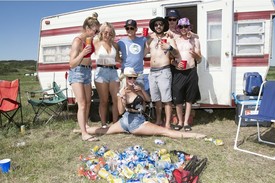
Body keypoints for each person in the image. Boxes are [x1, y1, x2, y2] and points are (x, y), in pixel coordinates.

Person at [83, 68, 206, 139]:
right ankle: (81, 130)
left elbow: (147, 100)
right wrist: (122, 98)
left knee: (106, 131)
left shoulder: (138, 88)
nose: (132, 80)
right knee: (164, 132)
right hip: (130, 122)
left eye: (133, 78)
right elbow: (120, 112)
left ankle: (84, 130)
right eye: (129, 78)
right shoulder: (122, 92)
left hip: (133, 121)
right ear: (124, 79)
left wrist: (141, 90)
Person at [68, 12, 100, 142]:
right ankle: (84, 133)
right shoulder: (77, 41)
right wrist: (83, 53)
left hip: (87, 71)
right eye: (94, 31)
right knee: (81, 104)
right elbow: (71, 63)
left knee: (87, 102)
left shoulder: (90, 39)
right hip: (77, 72)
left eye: (97, 31)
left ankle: (85, 125)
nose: (96, 33)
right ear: (87, 29)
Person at [146, 17, 179, 129]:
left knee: (166, 99)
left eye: (160, 24)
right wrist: (146, 42)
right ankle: (159, 120)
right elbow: (143, 54)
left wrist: (169, 47)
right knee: (156, 99)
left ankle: (167, 124)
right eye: (156, 25)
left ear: (164, 26)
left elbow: (177, 54)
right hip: (152, 72)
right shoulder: (151, 40)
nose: (158, 26)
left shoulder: (169, 38)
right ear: (154, 27)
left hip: (164, 71)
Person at [170, 18, 202, 131]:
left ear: (189, 27)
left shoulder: (195, 40)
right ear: (178, 28)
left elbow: (200, 59)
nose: (183, 29)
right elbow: (170, 58)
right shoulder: (175, 40)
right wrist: (175, 64)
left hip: (191, 71)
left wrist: (195, 55)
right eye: (181, 26)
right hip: (178, 72)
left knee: (189, 99)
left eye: (186, 26)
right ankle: (179, 122)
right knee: (178, 99)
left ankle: (186, 122)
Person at [94, 22, 122, 128]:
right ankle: (104, 124)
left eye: (110, 33)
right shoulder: (97, 42)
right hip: (101, 72)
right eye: (105, 32)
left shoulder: (115, 45)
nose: (107, 35)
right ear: (101, 33)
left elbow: (118, 59)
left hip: (113, 72)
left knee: (116, 99)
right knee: (104, 100)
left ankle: (115, 123)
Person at [117, 19, 149, 93]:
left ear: (136, 29)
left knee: (141, 96)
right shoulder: (121, 41)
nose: (129, 30)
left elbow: (151, 41)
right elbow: (114, 50)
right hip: (126, 73)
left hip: (139, 73)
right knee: (125, 96)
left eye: (131, 28)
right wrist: (118, 59)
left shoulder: (143, 39)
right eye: (127, 28)